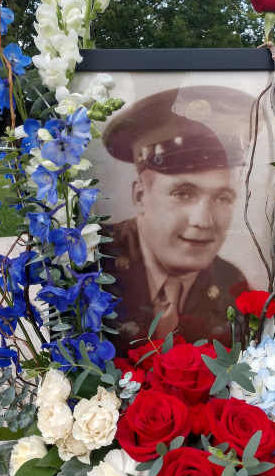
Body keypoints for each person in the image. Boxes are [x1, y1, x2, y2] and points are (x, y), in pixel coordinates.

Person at [102, 85, 257, 352]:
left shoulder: (231, 284)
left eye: (222, 198)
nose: (203, 221)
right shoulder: (94, 263)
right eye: (183, 193)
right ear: (140, 196)